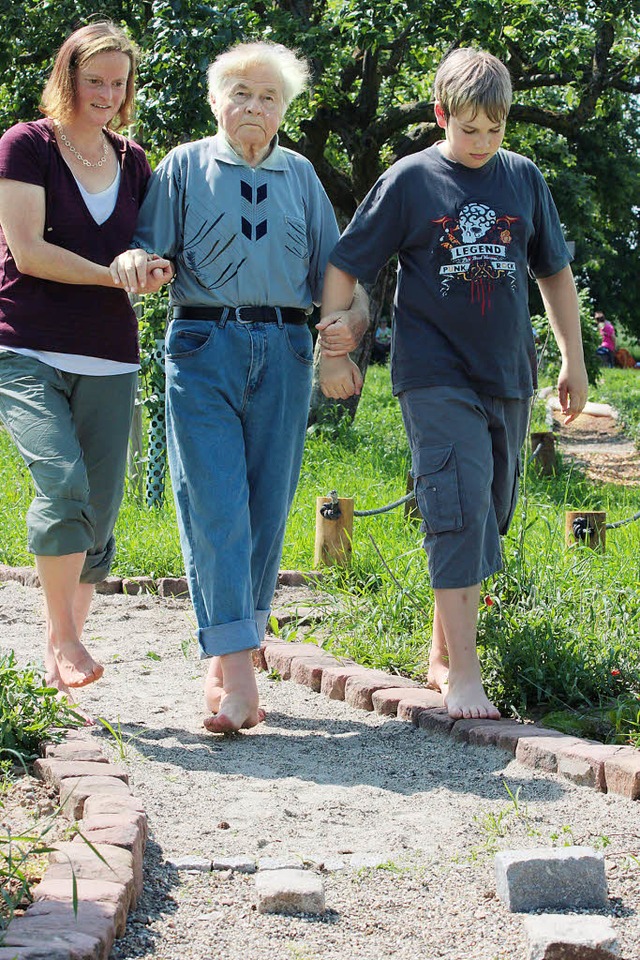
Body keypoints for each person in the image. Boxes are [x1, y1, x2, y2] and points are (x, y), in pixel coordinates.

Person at [319, 47, 588, 720]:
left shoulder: (523, 179)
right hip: (433, 373)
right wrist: (333, 348)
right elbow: (346, 262)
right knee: (458, 504)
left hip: (508, 375)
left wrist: (572, 359)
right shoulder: (410, 180)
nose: (481, 143)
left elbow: (553, 273)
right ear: (441, 115)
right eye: (468, 129)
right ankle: (465, 676)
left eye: (494, 131)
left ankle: (440, 654)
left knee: (490, 511)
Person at [111, 41, 368, 734]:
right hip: (202, 345)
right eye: (242, 94)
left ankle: (230, 653)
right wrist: (140, 261)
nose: (254, 108)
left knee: (265, 506)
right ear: (215, 100)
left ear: (285, 109)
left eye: (269, 97)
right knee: (215, 505)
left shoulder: (302, 175)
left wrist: (341, 337)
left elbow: (337, 275)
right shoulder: (184, 166)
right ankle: (242, 674)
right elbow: (148, 245)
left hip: (285, 348)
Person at [0, 22, 171, 704]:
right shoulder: (26, 144)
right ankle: (65, 639)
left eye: (117, 81)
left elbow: (155, 248)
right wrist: (114, 275)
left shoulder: (134, 161)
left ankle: (61, 656)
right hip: (26, 346)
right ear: (67, 77)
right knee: (63, 484)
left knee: (98, 516)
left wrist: (153, 268)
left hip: (109, 357)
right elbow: (29, 252)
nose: (106, 93)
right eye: (93, 79)